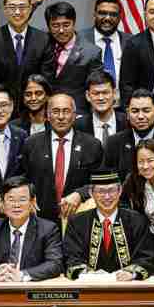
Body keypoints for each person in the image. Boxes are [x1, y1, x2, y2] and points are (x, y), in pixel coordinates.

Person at [19, 93, 102, 223]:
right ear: (47, 115)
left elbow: (100, 183)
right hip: (40, 220)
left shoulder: (92, 145)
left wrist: (81, 193)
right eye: (56, 112)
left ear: (74, 115)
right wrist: (27, 196)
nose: (61, 117)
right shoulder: (31, 143)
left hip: (79, 219)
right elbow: (23, 178)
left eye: (66, 111)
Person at [64, 169, 154, 280]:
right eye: (101, 191)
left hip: (128, 288)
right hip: (90, 288)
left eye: (112, 190)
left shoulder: (137, 221)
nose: (107, 197)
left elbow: (147, 258)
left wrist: (131, 273)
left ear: (120, 191)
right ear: (91, 193)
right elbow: (71, 259)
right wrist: (87, 273)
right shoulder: (77, 222)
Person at [0, 177, 64, 281]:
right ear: (3, 203)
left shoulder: (48, 229)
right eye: (11, 200)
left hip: (30, 289)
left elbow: (54, 264)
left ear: (32, 202)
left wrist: (22, 275)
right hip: (0, 287)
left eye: (22, 200)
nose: (16, 205)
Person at [0, 0, 48, 106]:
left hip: (35, 106)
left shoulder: (43, 39)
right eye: (12, 7)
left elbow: (45, 79)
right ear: (4, 9)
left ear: (30, 9)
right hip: (2, 108)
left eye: (22, 7)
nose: (17, 12)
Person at [102, 89, 154, 179]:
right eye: (135, 111)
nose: (140, 116)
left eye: (146, 111)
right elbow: (107, 180)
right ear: (127, 114)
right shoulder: (114, 143)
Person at [40, 1, 102, 112]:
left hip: (76, 112)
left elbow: (95, 89)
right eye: (55, 25)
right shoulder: (42, 43)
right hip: (44, 111)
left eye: (66, 25)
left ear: (74, 23)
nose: (61, 30)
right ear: (48, 26)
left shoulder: (91, 52)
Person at [78, 0, 132, 88]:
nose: (107, 18)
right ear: (94, 14)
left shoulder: (131, 41)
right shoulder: (79, 39)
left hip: (123, 100)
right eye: (102, 13)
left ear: (120, 17)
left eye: (113, 14)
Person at [120, 139, 154, 234]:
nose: (145, 166)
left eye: (150, 161)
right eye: (141, 161)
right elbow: (121, 202)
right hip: (146, 234)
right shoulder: (133, 179)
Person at [75, 70, 127, 145]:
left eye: (105, 92)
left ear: (114, 94)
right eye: (96, 93)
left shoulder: (127, 122)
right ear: (88, 96)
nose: (101, 98)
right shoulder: (78, 126)